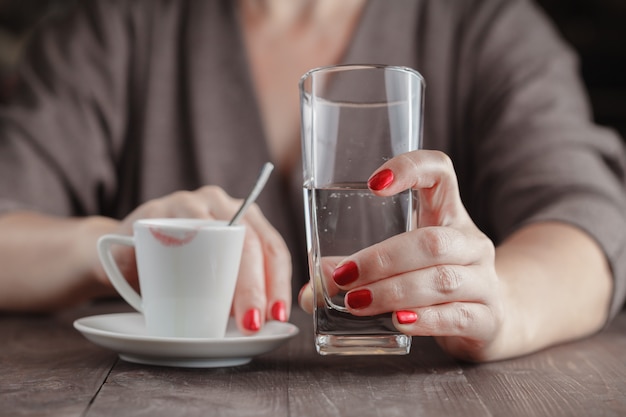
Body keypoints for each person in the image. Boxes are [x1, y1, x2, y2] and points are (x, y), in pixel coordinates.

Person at [0, 0, 625, 362]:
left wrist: (500, 304)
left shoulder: (486, 26)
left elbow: (589, 222)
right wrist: (127, 246)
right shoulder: (114, 27)